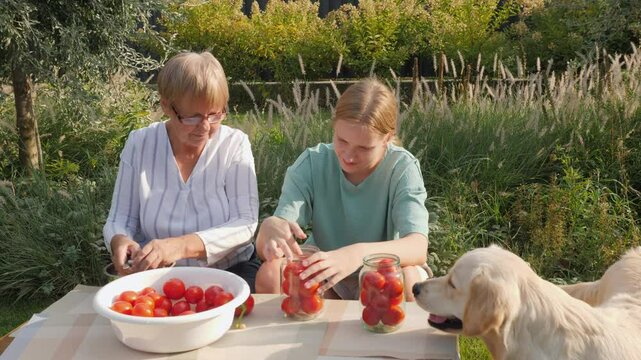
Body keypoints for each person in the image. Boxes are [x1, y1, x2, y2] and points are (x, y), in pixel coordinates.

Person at [255, 78, 429, 301]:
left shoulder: (402, 167)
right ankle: (294, 336)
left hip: (381, 270)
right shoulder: (312, 162)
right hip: (324, 269)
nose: (348, 155)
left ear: (387, 138)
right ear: (334, 125)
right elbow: (273, 242)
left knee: (407, 278)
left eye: (364, 148)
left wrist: (356, 255)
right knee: (272, 274)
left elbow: (417, 246)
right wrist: (269, 229)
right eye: (342, 140)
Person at [103, 51, 260, 291]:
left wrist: (180, 246)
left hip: (229, 273)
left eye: (215, 114)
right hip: (158, 279)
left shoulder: (234, 144)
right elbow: (120, 219)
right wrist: (120, 240)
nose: (205, 127)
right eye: (193, 117)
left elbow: (245, 223)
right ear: (166, 105)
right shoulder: (141, 143)